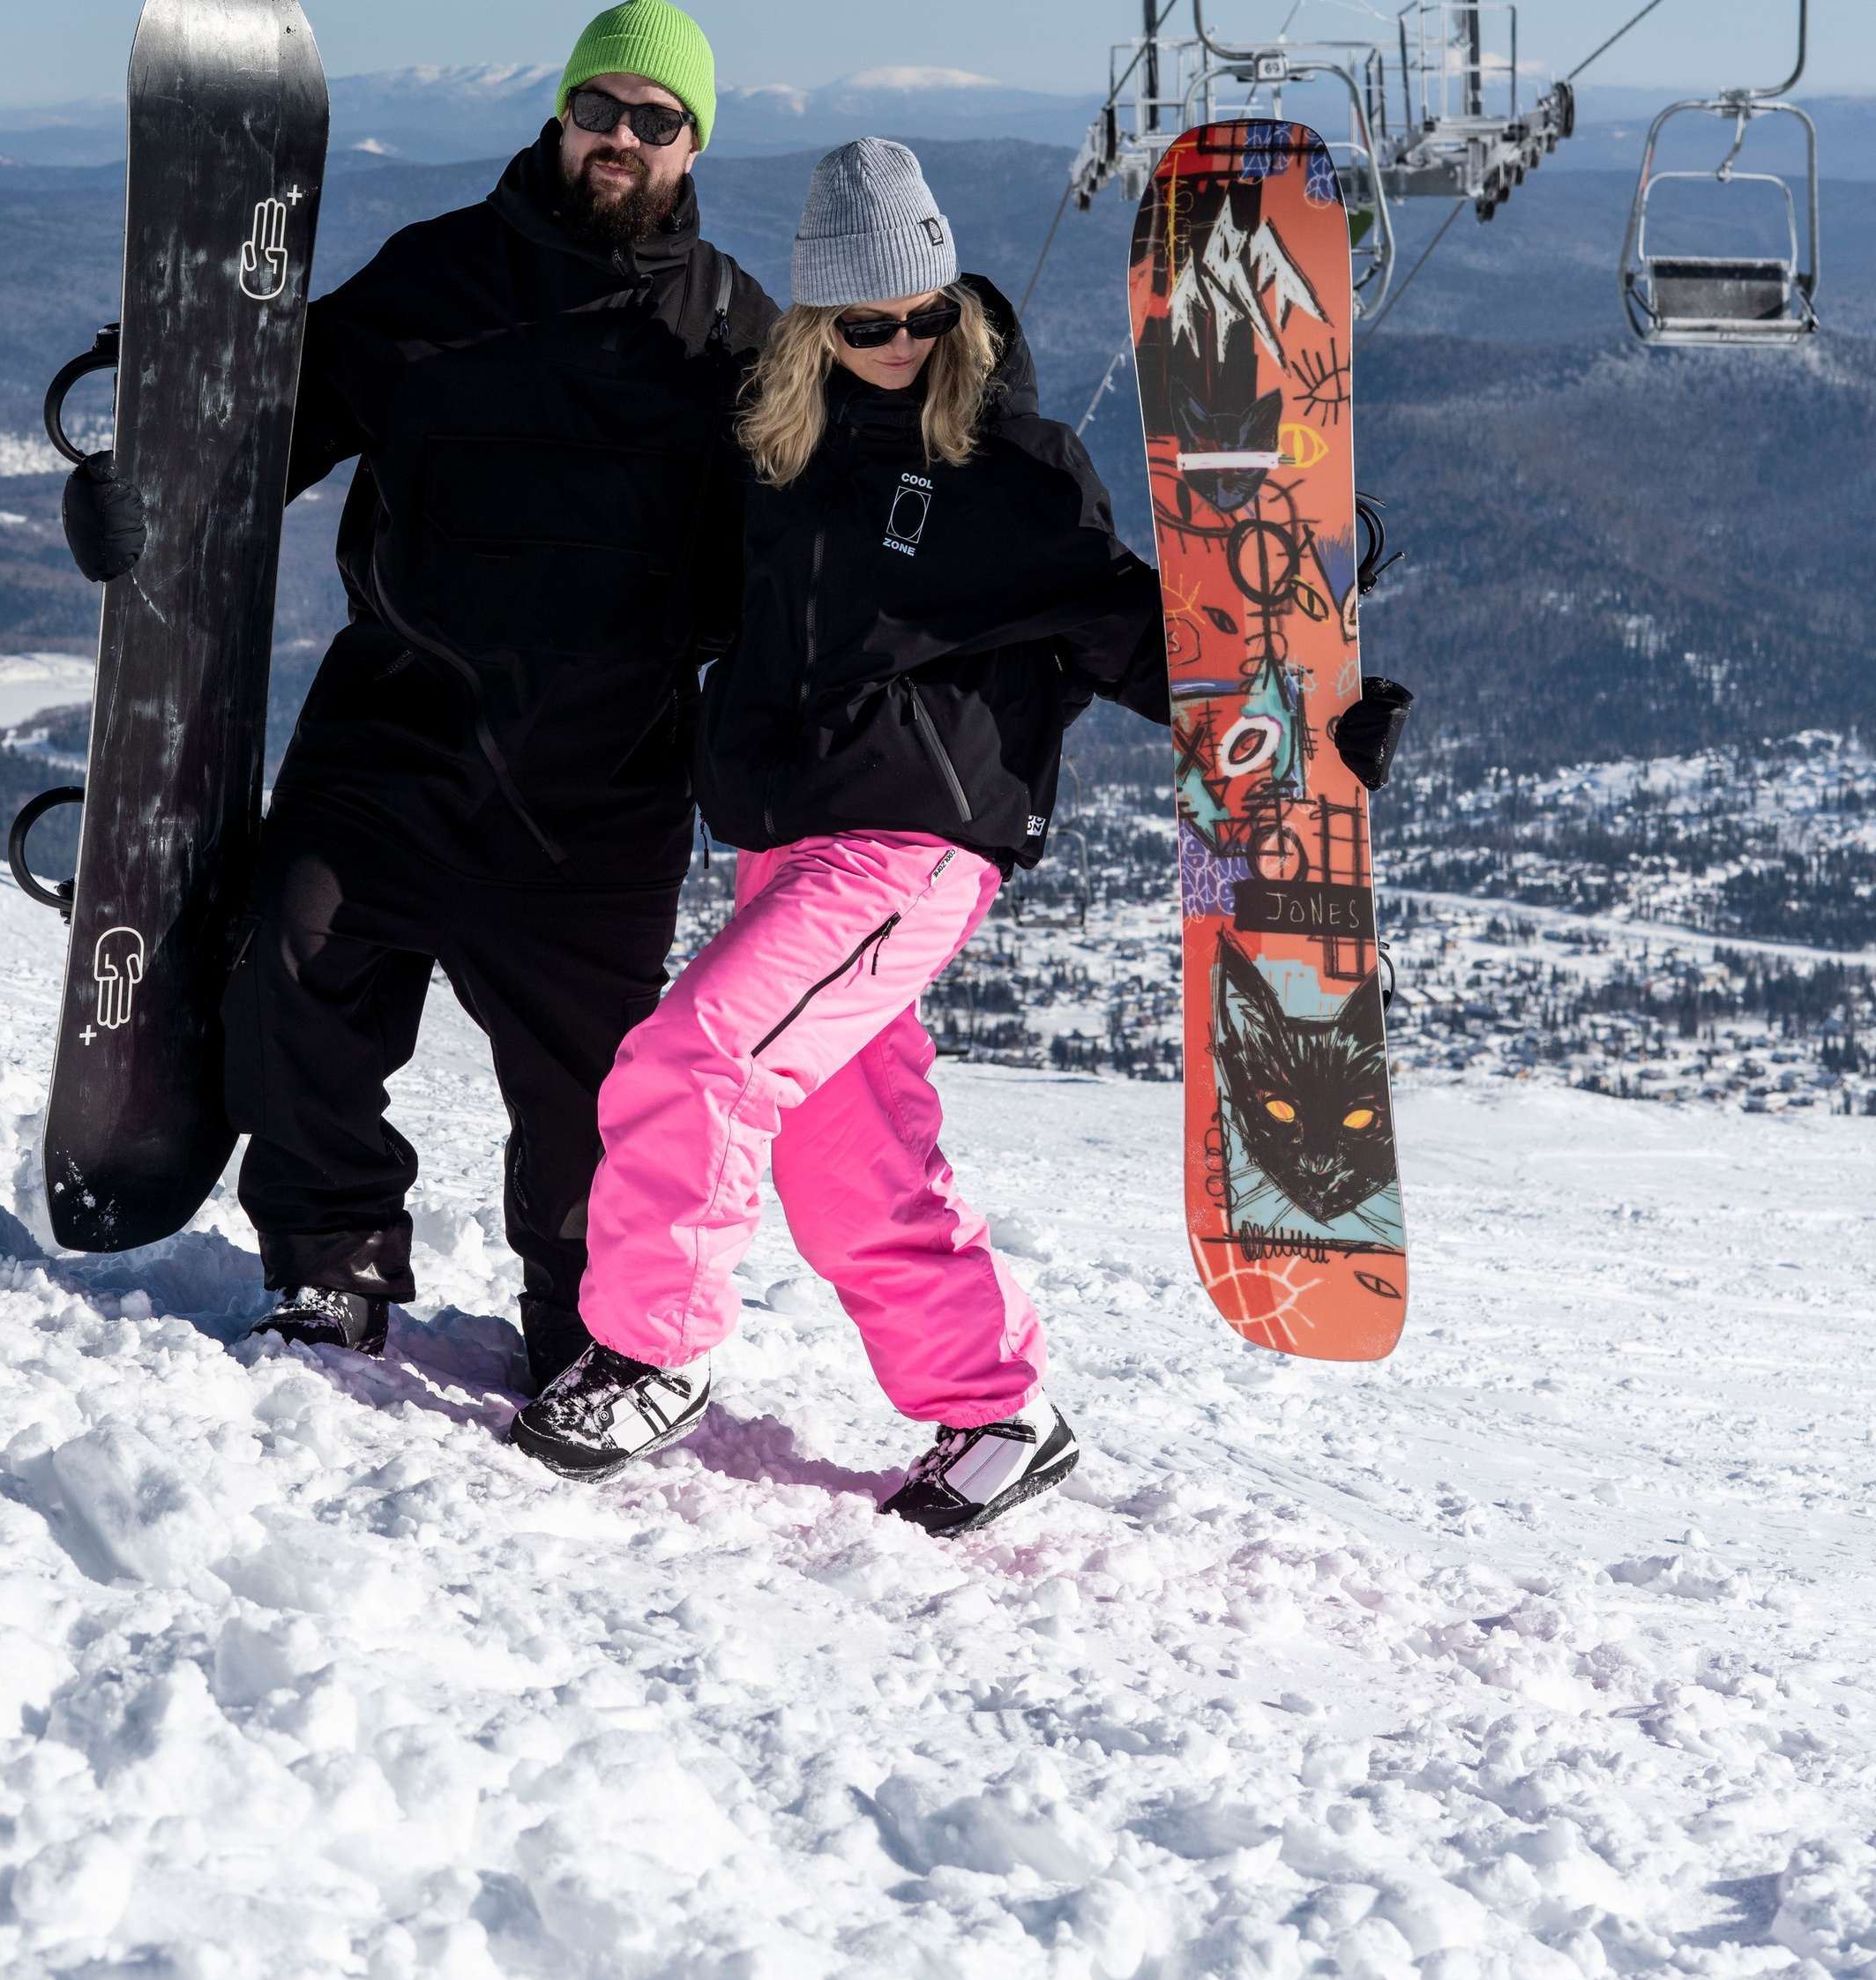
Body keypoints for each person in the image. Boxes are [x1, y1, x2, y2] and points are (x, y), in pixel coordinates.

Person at [508, 138, 1407, 1534]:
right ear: (817, 325)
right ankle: (996, 1406)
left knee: (695, 1061)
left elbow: (1153, 644)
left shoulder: (1014, 474)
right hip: (784, 845)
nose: (901, 344)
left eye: (925, 316)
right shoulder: (774, 454)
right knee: (841, 1160)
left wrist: (1321, 711)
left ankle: (649, 1353)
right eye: (866, 325)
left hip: (908, 849)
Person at [64, 0, 778, 1389]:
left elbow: (826, 556)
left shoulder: (734, 344)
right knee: (295, 968)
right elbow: (257, 432)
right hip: (397, 727)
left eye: (653, 120)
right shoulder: (435, 280)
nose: (617, 140)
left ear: (694, 146)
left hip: (601, 774)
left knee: (599, 1093)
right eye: (597, 110)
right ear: (559, 116)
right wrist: (129, 508)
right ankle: (331, 1262)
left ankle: (584, 1318)